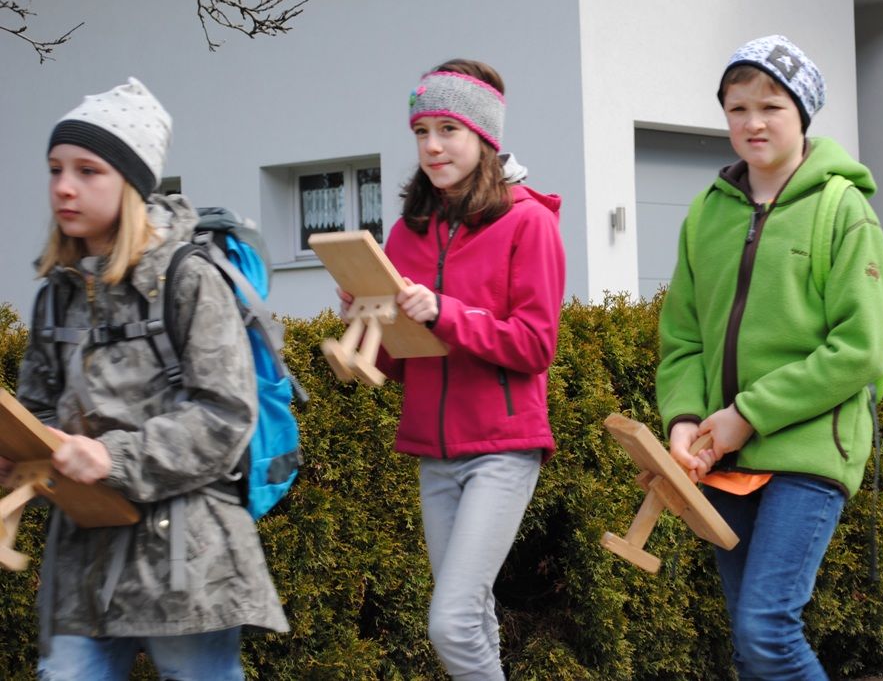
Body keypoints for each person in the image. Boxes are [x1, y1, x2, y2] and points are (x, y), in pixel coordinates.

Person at [12, 78, 288, 680]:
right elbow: (38, 412)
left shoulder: (190, 278)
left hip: (189, 556)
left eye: (88, 171)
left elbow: (225, 417)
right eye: (56, 169)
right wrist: (24, 452)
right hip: (83, 557)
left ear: (132, 184)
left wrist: (110, 457)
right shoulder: (56, 294)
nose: (63, 186)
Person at [657, 34, 883, 680]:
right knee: (747, 647)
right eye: (737, 109)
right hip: (725, 455)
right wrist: (685, 420)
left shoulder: (843, 210)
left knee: (766, 631)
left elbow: (861, 350)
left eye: (771, 107)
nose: (753, 123)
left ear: (803, 114)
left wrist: (748, 414)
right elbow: (683, 339)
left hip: (809, 451)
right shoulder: (706, 214)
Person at [339, 59, 565, 680]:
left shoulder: (529, 222)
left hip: (503, 449)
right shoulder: (406, 233)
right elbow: (400, 361)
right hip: (434, 454)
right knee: (472, 615)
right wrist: (369, 312)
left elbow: (535, 346)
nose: (432, 146)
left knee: (452, 622)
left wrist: (446, 313)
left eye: (448, 129)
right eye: (421, 132)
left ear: (484, 136)